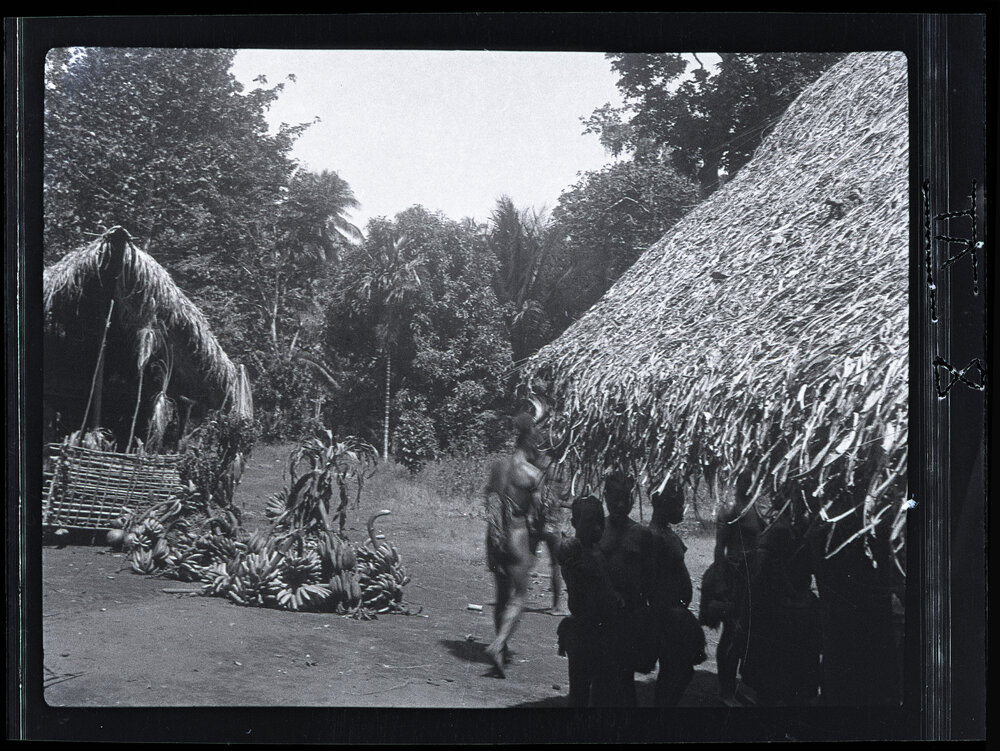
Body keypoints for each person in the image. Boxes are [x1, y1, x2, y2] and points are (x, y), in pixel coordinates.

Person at [739, 515, 821, 705]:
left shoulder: (803, 527)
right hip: (780, 616)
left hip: (792, 616)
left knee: (783, 687)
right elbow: (758, 579)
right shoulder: (780, 530)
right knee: (775, 686)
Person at [598, 471, 659, 706]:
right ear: (605, 497)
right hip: (600, 615)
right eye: (615, 498)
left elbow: (651, 580)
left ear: (633, 499)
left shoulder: (642, 534)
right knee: (599, 678)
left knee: (624, 678)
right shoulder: (595, 528)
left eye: (625, 498)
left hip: (628, 616)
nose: (620, 504)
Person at [556, 495, 623, 706]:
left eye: (600, 522)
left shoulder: (595, 552)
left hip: (598, 631)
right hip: (586, 632)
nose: (597, 528)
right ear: (574, 523)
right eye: (589, 522)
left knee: (599, 690)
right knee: (583, 691)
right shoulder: (577, 555)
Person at [648, 478, 706, 706]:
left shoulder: (666, 534)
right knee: (675, 669)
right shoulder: (654, 537)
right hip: (667, 615)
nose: (682, 508)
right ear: (663, 505)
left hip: (675, 613)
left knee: (678, 670)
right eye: (678, 503)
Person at [711, 473, 763, 704]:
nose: (749, 482)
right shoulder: (730, 509)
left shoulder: (757, 505)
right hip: (735, 578)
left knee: (749, 633)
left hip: (755, 578)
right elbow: (719, 548)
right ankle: (726, 689)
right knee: (731, 632)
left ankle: (740, 686)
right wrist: (722, 583)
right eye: (745, 477)